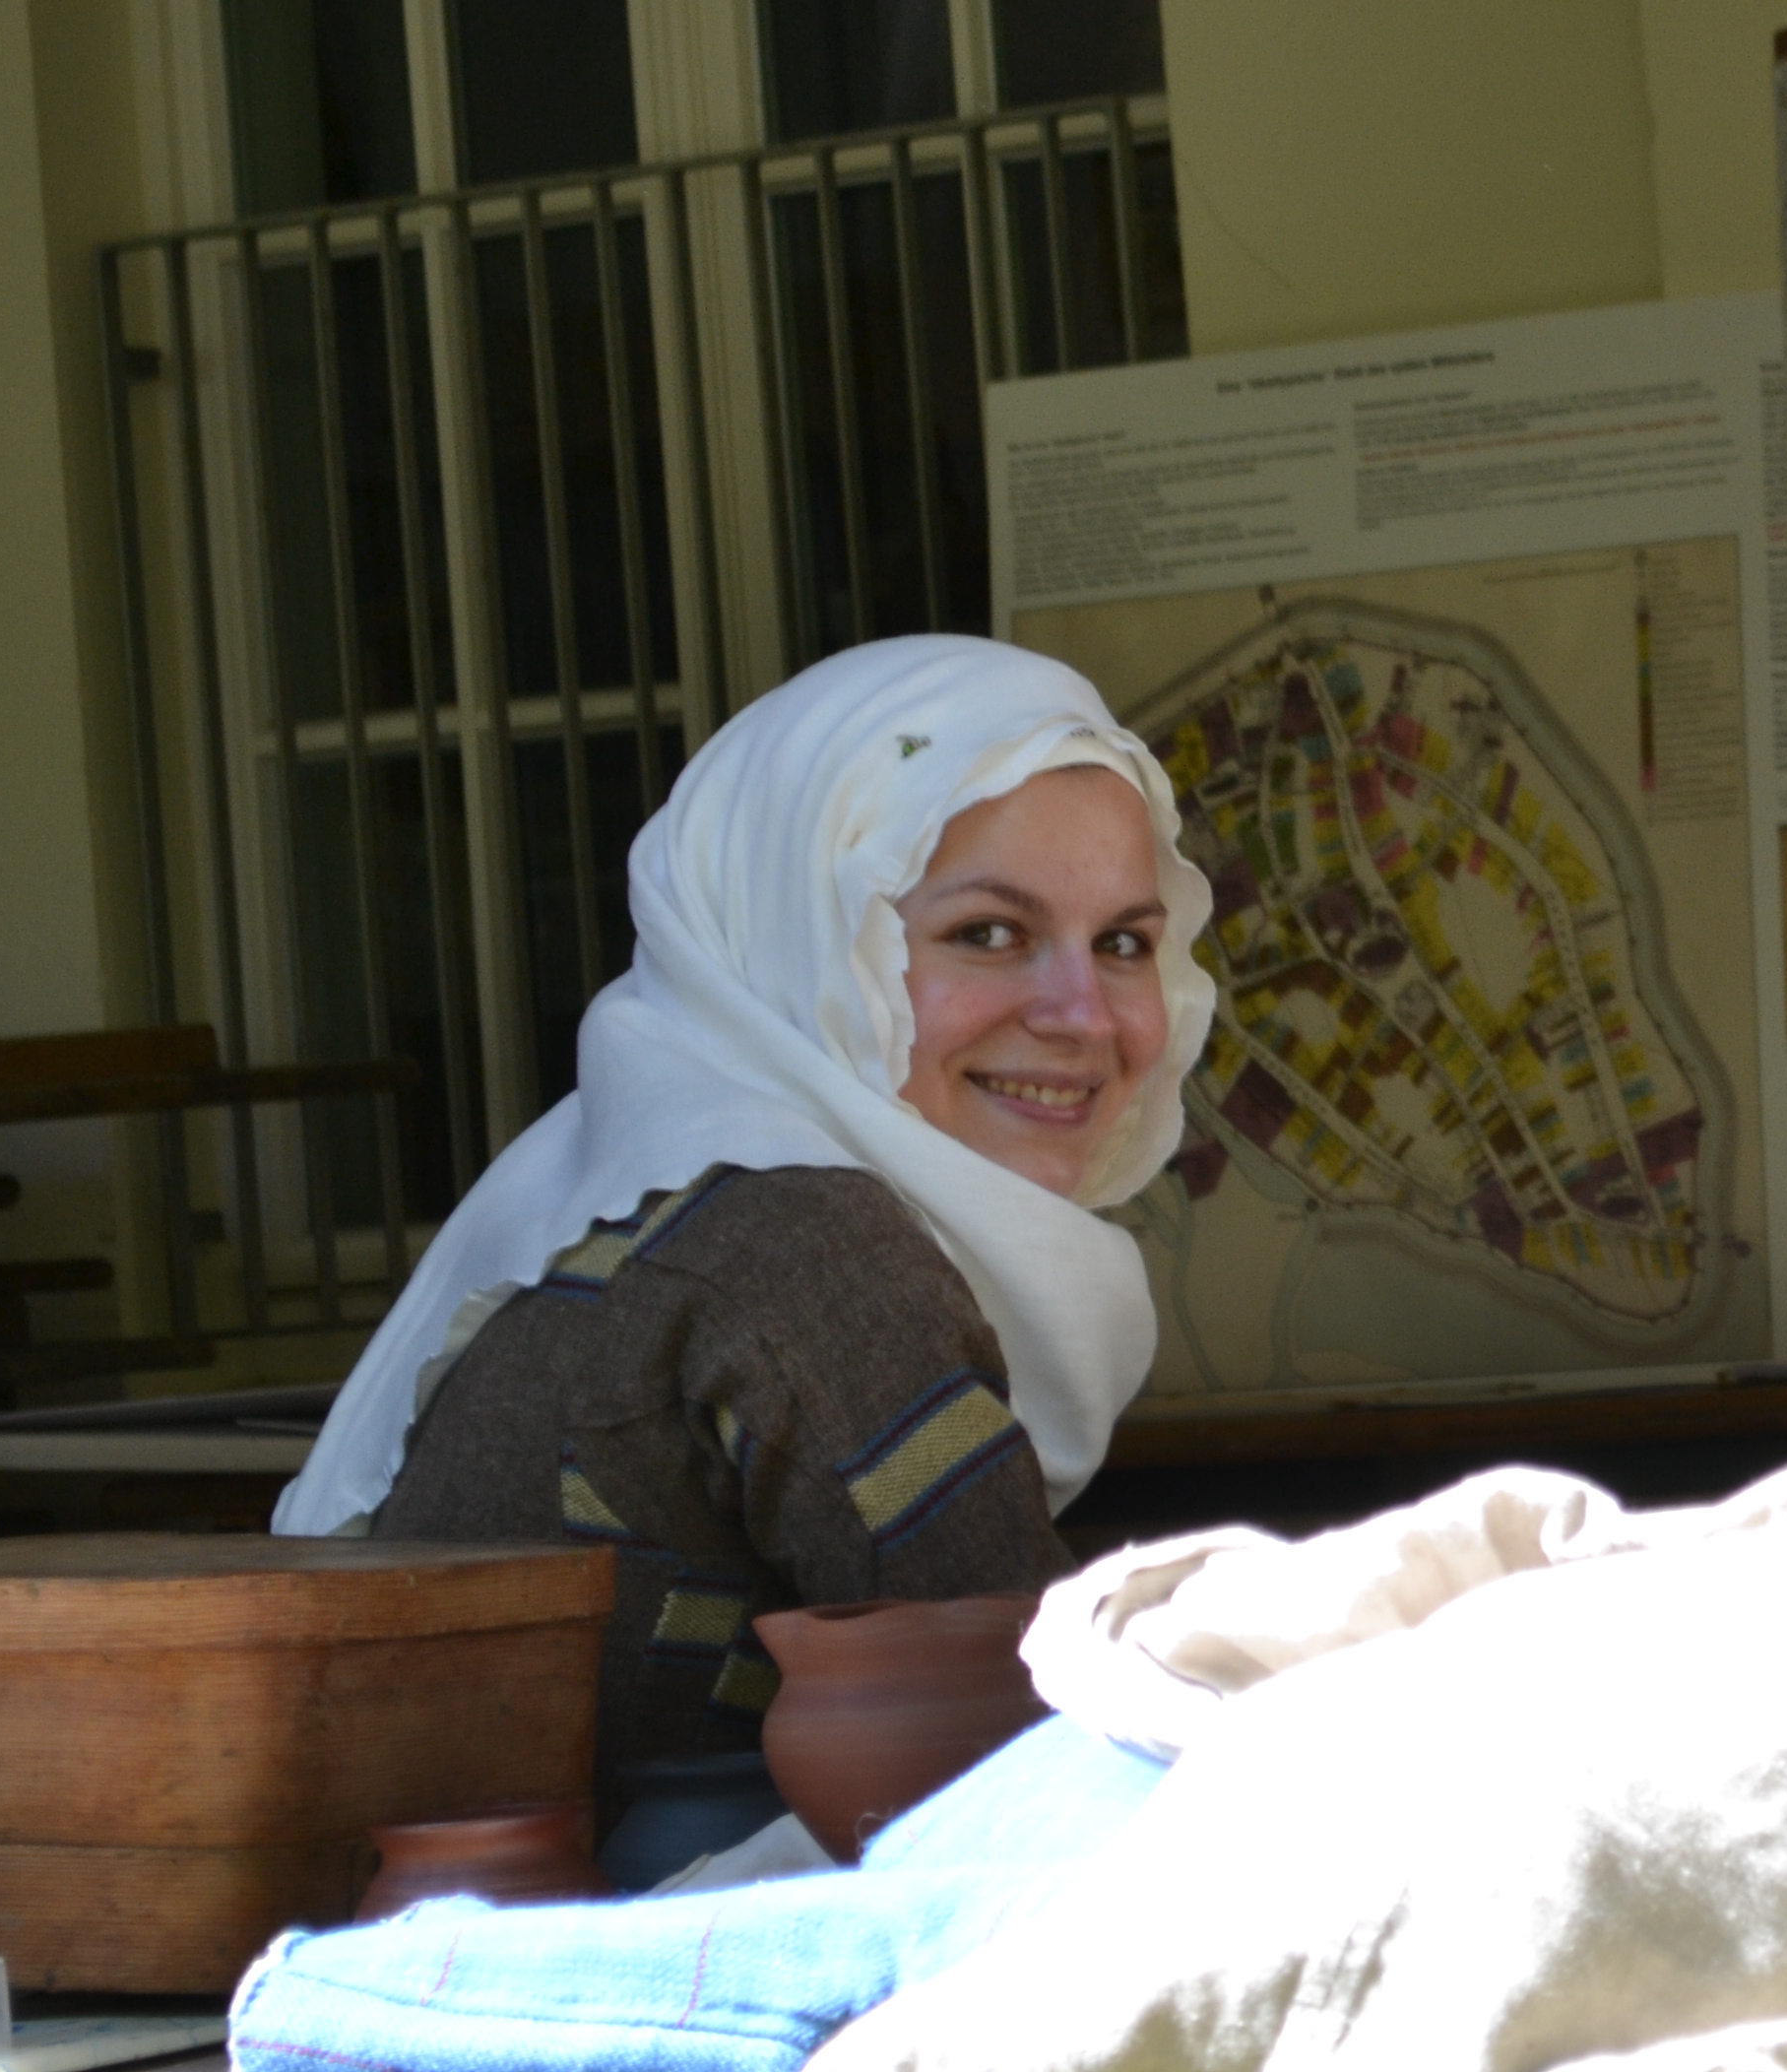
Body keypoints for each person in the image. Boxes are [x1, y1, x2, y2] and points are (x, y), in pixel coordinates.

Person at [277, 636, 1215, 1790]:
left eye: (1123, 944)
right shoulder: (799, 1251)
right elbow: (1044, 1744)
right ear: (799, 942)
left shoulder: (654, 1191)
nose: (1083, 1015)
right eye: (987, 933)